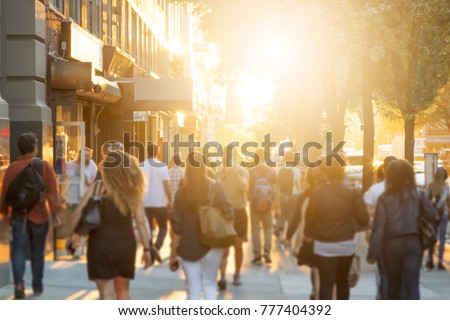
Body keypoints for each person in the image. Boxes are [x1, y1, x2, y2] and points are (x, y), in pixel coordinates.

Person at [70, 150, 152, 299]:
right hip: (125, 246)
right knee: (123, 291)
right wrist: (147, 249)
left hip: (100, 246)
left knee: (106, 294)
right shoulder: (132, 190)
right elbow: (141, 222)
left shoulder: (97, 187)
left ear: (106, 169)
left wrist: (73, 236)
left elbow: (78, 213)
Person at [0, 132, 61, 299]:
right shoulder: (44, 166)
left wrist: (5, 215)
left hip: (19, 215)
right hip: (40, 215)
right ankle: (37, 285)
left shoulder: (12, 167)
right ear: (35, 147)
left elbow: (5, 194)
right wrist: (56, 214)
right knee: (37, 251)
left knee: (18, 250)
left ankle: (19, 284)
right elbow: (53, 193)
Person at [367, 159, 438, 299]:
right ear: (410, 175)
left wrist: (372, 253)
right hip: (413, 244)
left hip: (391, 245)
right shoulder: (419, 195)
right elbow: (432, 216)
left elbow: (378, 228)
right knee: (412, 283)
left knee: (393, 283)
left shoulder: (384, 198)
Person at [171, 152, 233, 300]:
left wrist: (174, 252)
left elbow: (176, 227)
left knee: (193, 289)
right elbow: (229, 213)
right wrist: (226, 245)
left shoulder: (181, 193)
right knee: (210, 285)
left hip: (188, 247)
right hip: (213, 244)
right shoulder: (215, 188)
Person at [305, 160, 369, 300]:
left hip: (323, 243)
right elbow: (364, 219)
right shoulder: (352, 193)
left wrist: (309, 234)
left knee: (326, 282)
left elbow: (309, 218)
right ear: (342, 173)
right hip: (346, 243)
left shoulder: (318, 193)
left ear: (326, 174)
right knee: (342, 281)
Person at [363, 156, 396, 299]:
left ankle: (383, 295)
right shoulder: (406, 189)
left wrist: (368, 232)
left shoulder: (375, 189)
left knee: (382, 269)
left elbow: (368, 215)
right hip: (400, 234)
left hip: (381, 234)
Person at [215, 150, 249, 288]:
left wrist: (235, 173)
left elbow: (245, 188)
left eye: (232, 156)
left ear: (236, 158)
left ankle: (237, 273)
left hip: (239, 212)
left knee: (238, 246)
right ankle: (222, 277)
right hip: (223, 214)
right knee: (223, 248)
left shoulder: (242, 172)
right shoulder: (219, 173)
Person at [63, 148, 98, 258]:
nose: (87, 158)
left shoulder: (92, 165)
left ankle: (76, 246)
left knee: (81, 224)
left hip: (85, 200)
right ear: (79, 155)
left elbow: (96, 180)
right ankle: (73, 244)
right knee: (73, 223)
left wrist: (87, 180)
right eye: (85, 155)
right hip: (71, 199)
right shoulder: (69, 165)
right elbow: (62, 179)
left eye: (88, 156)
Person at [140, 143, 171, 257]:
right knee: (163, 227)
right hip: (160, 203)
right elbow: (166, 185)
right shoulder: (162, 166)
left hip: (145, 202)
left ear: (146, 152)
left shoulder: (141, 166)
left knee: (147, 229)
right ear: (157, 152)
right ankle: (156, 247)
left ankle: (149, 249)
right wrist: (170, 200)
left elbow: (138, 185)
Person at [249, 148, 277, 265]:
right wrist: (274, 203)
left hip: (254, 205)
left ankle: (257, 255)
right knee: (268, 228)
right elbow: (275, 190)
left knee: (255, 230)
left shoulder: (251, 171)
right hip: (268, 205)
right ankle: (267, 251)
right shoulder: (272, 172)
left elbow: (248, 189)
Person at [426, 167, 449, 270]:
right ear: (445, 176)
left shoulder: (431, 186)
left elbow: (427, 201)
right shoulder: (446, 187)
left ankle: (430, 260)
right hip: (443, 214)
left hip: (433, 215)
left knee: (432, 238)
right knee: (442, 238)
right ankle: (439, 262)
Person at [276, 150, 301, 239]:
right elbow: (298, 185)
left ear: (284, 159)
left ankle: (280, 231)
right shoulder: (297, 170)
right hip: (293, 195)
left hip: (282, 194)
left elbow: (277, 184)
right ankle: (288, 237)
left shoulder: (279, 170)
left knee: (282, 214)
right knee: (291, 215)